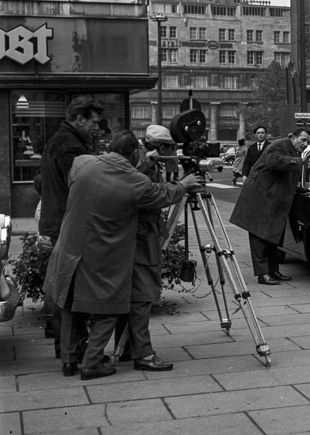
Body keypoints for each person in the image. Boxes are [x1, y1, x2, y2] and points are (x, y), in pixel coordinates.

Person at [43, 131, 198, 380]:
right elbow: (160, 195)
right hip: (102, 251)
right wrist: (183, 185)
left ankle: (70, 360)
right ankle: (98, 361)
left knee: (70, 304)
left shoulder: (82, 163)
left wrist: (145, 163)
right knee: (109, 307)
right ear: (133, 152)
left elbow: (108, 178)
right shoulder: (134, 180)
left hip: (70, 246)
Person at [115, 125, 185, 372]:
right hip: (141, 238)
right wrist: (183, 186)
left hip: (142, 234)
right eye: (169, 149)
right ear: (162, 147)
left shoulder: (143, 163)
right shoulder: (138, 166)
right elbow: (152, 195)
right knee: (143, 295)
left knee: (134, 295)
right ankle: (143, 353)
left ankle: (125, 348)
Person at [38, 97, 103, 358]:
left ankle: (67, 350)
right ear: (79, 119)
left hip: (58, 222)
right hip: (67, 224)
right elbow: (84, 185)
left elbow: (41, 181)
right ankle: (72, 352)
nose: (97, 128)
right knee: (70, 290)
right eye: (94, 122)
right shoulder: (69, 147)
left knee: (65, 288)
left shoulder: (61, 140)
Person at [230, 129, 310, 285]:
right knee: (259, 235)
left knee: (273, 237)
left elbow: (287, 177)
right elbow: (273, 161)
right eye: (303, 140)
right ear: (293, 138)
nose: (305, 144)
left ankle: (273, 270)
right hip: (260, 197)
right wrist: (299, 162)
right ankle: (263, 274)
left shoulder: (293, 150)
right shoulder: (279, 146)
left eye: (308, 141)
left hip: (273, 199)